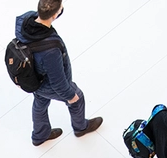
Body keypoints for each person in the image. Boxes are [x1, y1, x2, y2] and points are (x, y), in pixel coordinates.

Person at [14, 0, 103, 146]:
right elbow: (58, 83)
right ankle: (81, 127)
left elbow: (46, 14)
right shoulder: (50, 51)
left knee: (40, 101)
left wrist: (54, 9)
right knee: (77, 97)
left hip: (34, 77)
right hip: (47, 83)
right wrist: (70, 96)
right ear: (54, 15)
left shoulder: (24, 20)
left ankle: (39, 135)